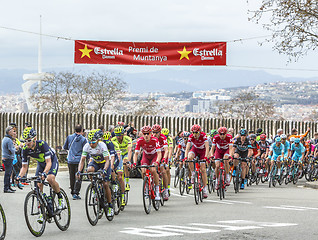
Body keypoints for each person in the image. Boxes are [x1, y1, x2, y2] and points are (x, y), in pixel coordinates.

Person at [17, 127, 65, 212]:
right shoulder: (25, 149)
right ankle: (42, 209)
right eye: (25, 141)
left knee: (50, 178)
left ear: (34, 139)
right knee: (38, 184)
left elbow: (49, 162)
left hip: (52, 160)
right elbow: (24, 167)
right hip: (41, 163)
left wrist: (45, 173)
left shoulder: (42, 144)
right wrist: (19, 177)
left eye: (29, 140)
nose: (26, 143)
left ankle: (60, 197)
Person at [77, 129, 113, 217]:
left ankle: (110, 206)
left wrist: (104, 169)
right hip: (96, 162)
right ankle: (94, 185)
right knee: (89, 169)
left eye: (93, 142)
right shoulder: (86, 146)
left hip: (104, 163)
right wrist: (78, 171)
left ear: (98, 140)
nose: (91, 144)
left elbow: (108, 160)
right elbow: (82, 160)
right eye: (90, 142)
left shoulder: (102, 145)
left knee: (105, 184)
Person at [133, 126, 162, 201]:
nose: (146, 135)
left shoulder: (154, 140)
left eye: (148, 134)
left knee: (153, 170)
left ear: (150, 134)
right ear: (142, 134)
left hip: (154, 156)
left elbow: (159, 153)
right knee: (143, 171)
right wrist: (134, 163)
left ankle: (157, 189)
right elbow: (136, 154)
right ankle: (146, 186)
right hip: (146, 156)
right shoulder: (140, 140)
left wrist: (157, 162)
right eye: (144, 134)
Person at [63, 124, 87, 200]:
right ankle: (76, 192)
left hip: (70, 159)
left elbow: (65, 147)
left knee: (72, 176)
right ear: (81, 130)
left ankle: (72, 191)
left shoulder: (69, 137)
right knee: (79, 176)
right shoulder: (83, 139)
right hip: (79, 160)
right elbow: (86, 150)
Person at [184, 124, 209, 198]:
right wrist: (185, 157)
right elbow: (187, 148)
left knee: (203, 169)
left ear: (200, 132)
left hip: (203, 151)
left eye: (196, 133)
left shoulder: (203, 136)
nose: (194, 134)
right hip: (195, 149)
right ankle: (193, 173)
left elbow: (207, 147)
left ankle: (205, 188)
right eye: (193, 133)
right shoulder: (191, 136)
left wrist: (205, 157)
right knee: (189, 157)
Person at [111, 126, 133, 192]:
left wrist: (128, 161)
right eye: (116, 135)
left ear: (123, 134)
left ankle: (127, 182)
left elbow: (130, 150)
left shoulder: (128, 139)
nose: (118, 137)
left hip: (125, 154)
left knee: (125, 163)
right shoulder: (113, 140)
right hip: (117, 155)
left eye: (120, 135)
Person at [2, 126, 18, 193]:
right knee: (8, 174)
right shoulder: (8, 140)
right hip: (8, 158)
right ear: (9, 132)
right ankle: (6, 188)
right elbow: (11, 150)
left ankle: (8, 187)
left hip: (6, 158)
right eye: (12, 130)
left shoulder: (5, 138)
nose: (13, 132)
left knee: (8, 173)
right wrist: (16, 148)